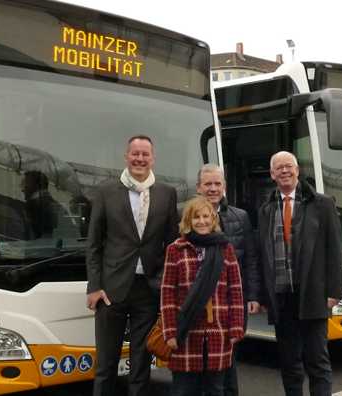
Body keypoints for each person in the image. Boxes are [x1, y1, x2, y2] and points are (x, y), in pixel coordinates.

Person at [86, 135, 178, 396]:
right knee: (106, 363)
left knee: (141, 363)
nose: (139, 158)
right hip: (110, 290)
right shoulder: (106, 191)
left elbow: (171, 246)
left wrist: (163, 284)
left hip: (148, 290)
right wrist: (94, 287)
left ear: (153, 158)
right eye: (135, 153)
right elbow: (93, 244)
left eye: (145, 154)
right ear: (126, 156)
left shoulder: (166, 193)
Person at [257, 151, 342, 396]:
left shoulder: (322, 204)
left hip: (313, 295)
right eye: (279, 168)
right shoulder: (266, 208)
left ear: (297, 171)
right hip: (281, 298)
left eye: (289, 167)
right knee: (289, 364)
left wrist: (334, 291)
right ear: (272, 175)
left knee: (317, 361)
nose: (284, 171)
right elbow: (263, 255)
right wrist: (264, 296)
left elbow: (334, 251)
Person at [160, 196, 245, 396]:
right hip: (186, 330)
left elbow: (235, 290)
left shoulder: (225, 248)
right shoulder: (176, 249)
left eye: (206, 216)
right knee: (183, 390)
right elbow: (167, 293)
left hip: (219, 330)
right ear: (188, 221)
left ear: (213, 219)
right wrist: (170, 332)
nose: (202, 221)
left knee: (215, 389)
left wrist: (236, 328)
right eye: (196, 217)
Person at [195, 164, 261, 396]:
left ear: (224, 187)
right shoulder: (186, 215)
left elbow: (251, 258)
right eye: (208, 184)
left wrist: (252, 295)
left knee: (229, 354)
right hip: (199, 301)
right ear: (198, 187)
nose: (213, 189)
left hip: (233, 300)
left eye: (217, 184)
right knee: (201, 357)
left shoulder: (240, 216)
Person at [22, 170, 59, 238]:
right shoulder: (56, 205)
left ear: (36, 185)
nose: (23, 189)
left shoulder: (34, 204)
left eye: (26, 184)